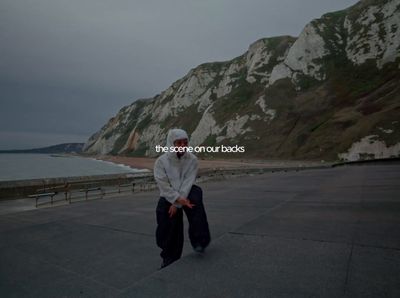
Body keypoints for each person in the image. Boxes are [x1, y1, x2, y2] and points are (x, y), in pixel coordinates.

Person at [154, 128, 211, 269]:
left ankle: (200, 241)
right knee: (166, 220)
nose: (182, 146)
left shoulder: (192, 159)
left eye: (185, 142)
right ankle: (169, 256)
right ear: (171, 143)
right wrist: (175, 200)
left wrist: (178, 204)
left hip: (187, 191)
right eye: (178, 143)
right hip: (169, 194)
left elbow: (188, 181)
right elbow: (163, 185)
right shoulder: (161, 162)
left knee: (195, 200)